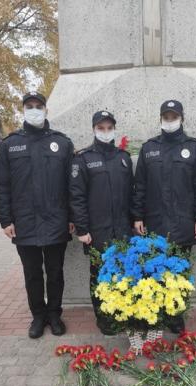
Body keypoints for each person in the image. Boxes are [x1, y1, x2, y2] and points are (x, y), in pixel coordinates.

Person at [0, 92, 74, 339]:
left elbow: (72, 185)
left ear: (46, 110)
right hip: (25, 222)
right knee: (32, 274)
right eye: (29, 106)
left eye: (39, 106)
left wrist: (72, 217)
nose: (34, 110)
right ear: (23, 110)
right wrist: (5, 220)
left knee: (55, 272)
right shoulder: (10, 144)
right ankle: (38, 316)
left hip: (56, 220)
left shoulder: (62, 143)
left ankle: (54, 314)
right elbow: (2, 185)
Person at [132, 100, 196, 334]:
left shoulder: (194, 148)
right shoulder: (149, 149)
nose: (169, 120)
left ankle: (176, 314)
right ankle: (156, 312)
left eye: (173, 116)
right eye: (166, 117)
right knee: (154, 270)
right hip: (154, 223)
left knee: (179, 271)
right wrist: (137, 217)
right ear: (160, 119)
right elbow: (140, 186)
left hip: (184, 222)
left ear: (181, 118)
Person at [69, 110, 134, 335]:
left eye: (109, 128)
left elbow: (131, 193)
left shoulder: (123, 158)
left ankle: (119, 311)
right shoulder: (83, 159)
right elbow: (76, 197)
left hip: (123, 229)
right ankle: (103, 316)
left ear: (114, 129)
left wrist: (134, 222)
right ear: (94, 130)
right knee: (99, 275)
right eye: (101, 128)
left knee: (121, 273)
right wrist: (82, 229)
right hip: (97, 231)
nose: (105, 132)